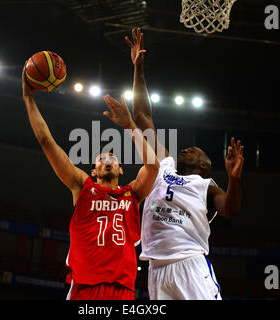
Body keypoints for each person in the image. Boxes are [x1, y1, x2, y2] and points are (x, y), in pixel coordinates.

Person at [125, 28, 244, 300]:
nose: (187, 148)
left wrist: (234, 179)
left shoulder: (205, 187)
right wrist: (138, 68)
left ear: (204, 165)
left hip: (189, 264)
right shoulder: (163, 166)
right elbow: (142, 115)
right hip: (155, 269)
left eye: (196, 151)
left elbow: (231, 211)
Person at [22, 65, 159, 300]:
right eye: (101, 159)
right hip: (84, 285)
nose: (107, 161)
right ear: (93, 171)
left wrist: (130, 127)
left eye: (112, 159)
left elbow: (153, 166)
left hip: (122, 287)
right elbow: (46, 140)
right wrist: (28, 98)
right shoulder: (82, 186)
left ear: (121, 169)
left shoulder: (133, 193)